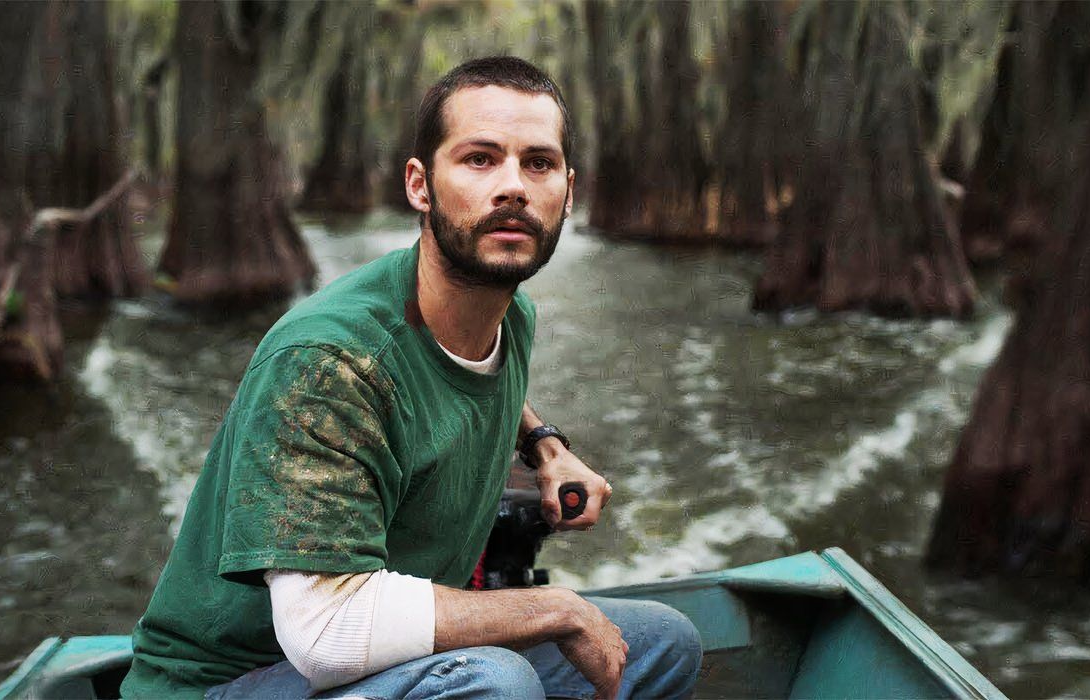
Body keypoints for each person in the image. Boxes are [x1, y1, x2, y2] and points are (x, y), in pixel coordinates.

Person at [121, 56, 701, 700]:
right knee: (493, 682)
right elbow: (327, 635)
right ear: (420, 186)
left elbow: (462, 380)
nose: (512, 186)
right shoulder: (327, 362)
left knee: (664, 642)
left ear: (568, 189)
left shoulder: (511, 317)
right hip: (230, 682)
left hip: (377, 663)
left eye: (536, 163)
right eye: (480, 159)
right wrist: (555, 608)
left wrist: (546, 446)